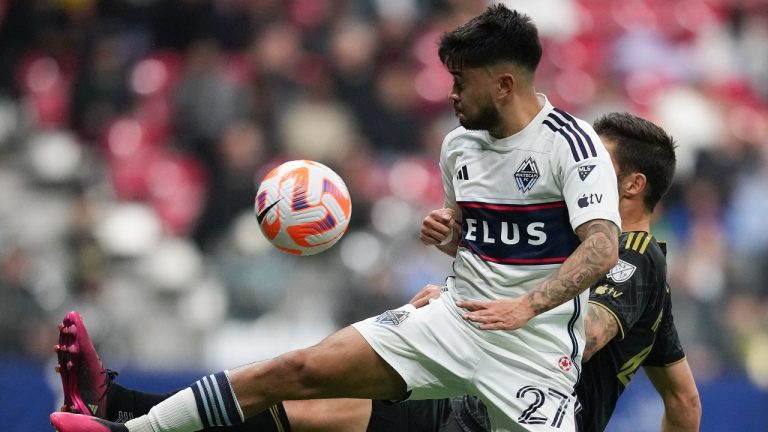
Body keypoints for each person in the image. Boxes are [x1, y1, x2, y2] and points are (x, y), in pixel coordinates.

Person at [50, 5, 622, 432]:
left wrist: (525, 305)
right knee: (295, 369)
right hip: (452, 323)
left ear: (503, 83)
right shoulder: (458, 148)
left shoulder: (572, 146)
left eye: (461, 81)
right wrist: (455, 240)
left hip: (533, 354)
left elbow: (602, 249)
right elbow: (488, 244)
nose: (450, 94)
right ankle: (127, 430)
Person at [50, 113, 700, 432]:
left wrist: (466, 315)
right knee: (305, 397)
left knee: (307, 397)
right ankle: (117, 409)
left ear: (632, 184)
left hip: (512, 416)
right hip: (472, 398)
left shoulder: (633, 258)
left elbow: (578, 336)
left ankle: (118, 410)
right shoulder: (625, 265)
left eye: (594, 162)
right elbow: (684, 403)